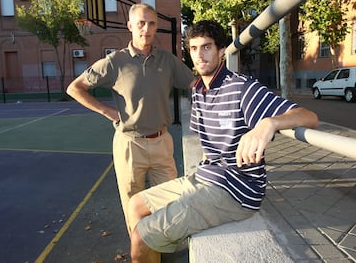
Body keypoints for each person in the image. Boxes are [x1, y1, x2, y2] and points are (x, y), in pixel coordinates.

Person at [127, 20, 319, 263]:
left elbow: (309, 117)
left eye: (207, 47)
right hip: (206, 177)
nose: (200, 55)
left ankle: (148, 245)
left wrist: (268, 123)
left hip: (236, 190)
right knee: (135, 205)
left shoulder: (242, 88)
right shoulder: (197, 90)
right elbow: (208, 146)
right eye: (194, 49)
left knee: (141, 236)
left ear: (221, 51)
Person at [66, 3, 194, 233]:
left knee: (169, 203)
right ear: (130, 26)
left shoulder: (167, 60)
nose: (146, 28)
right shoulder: (115, 62)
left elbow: (195, 83)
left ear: (156, 27)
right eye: (141, 23)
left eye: (152, 23)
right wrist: (108, 112)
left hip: (162, 142)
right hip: (129, 145)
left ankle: (162, 249)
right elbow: (75, 88)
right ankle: (143, 254)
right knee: (133, 207)